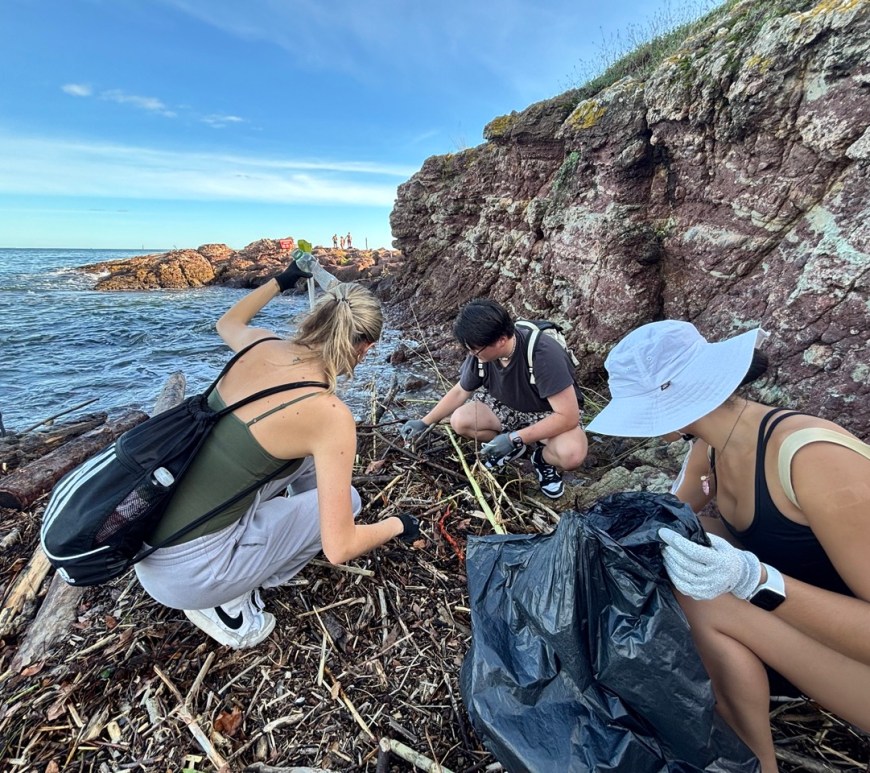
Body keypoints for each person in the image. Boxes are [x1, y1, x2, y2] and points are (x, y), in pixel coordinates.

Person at [586, 320, 870, 771]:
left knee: (704, 599)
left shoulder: (812, 460)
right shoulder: (713, 444)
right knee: (692, 536)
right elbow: (664, 520)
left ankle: (755, 764)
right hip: (817, 639)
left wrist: (756, 580)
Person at [135, 261, 420, 649]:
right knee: (348, 500)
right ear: (365, 349)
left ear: (318, 317)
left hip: (145, 538)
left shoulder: (261, 345)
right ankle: (229, 604)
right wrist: (400, 524)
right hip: (190, 577)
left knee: (299, 459)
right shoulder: (329, 414)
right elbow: (341, 548)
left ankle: (243, 559)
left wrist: (282, 280)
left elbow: (228, 323)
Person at [400, 299, 587, 499]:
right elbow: (460, 391)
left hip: (547, 413)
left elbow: (568, 416)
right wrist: (424, 422)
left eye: (475, 350)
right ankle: (513, 447)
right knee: (460, 421)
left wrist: (514, 438)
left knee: (572, 454)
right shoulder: (481, 354)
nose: (471, 354)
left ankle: (541, 459)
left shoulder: (543, 355)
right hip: (506, 406)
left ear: (500, 340)